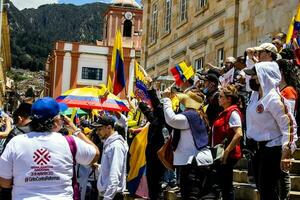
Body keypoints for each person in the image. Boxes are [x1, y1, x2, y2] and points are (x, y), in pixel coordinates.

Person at [0, 97, 100, 199]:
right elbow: (95, 154)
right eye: (60, 116)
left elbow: (4, 182)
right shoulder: (69, 142)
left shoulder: (16, 143)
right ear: (56, 120)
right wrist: (75, 129)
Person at [244, 62, 298, 200]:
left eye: (254, 76)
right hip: (257, 149)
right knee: (262, 189)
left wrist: (286, 152)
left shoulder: (274, 98)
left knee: (268, 191)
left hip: (272, 149)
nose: (252, 79)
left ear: (264, 76)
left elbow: (289, 126)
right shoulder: (254, 96)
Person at [162, 90, 212, 199]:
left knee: (190, 196)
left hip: (193, 163)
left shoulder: (192, 115)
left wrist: (166, 100)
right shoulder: (196, 115)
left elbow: (172, 119)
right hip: (191, 162)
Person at [212, 85, 243, 200]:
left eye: (221, 96)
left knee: (226, 186)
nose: (219, 99)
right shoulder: (225, 112)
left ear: (229, 99)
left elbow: (239, 133)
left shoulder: (232, 112)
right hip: (220, 154)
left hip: (227, 155)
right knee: (223, 185)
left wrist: (227, 151)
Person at [276, 59, 300, 200]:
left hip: (285, 136)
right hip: (279, 136)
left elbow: (288, 117)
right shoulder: (282, 90)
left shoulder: (289, 90)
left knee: (283, 173)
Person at [93, 116, 128, 200]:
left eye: (99, 129)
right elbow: (110, 169)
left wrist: (108, 198)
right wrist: (99, 167)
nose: (97, 132)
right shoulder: (109, 144)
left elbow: (115, 174)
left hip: (111, 195)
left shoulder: (116, 146)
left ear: (109, 128)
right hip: (108, 194)